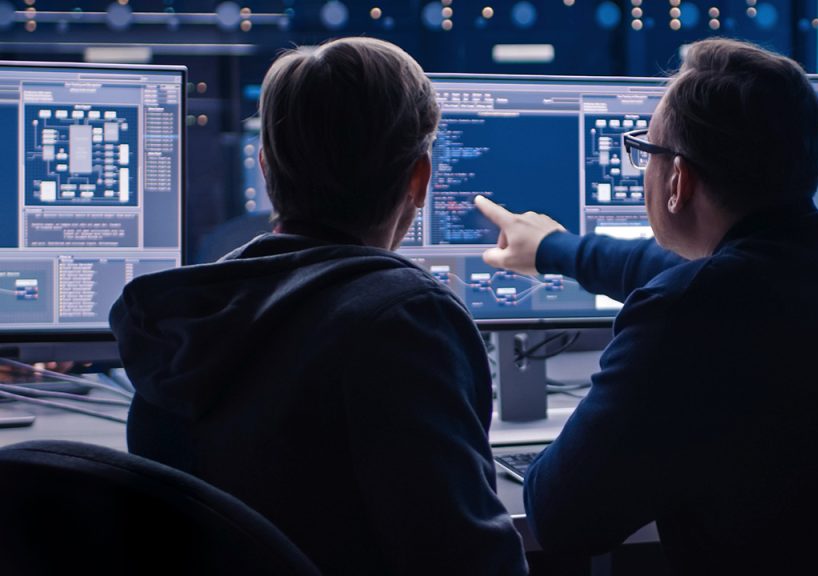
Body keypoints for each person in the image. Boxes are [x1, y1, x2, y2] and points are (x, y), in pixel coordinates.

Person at [474, 38, 818, 573]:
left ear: (678, 179)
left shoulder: (687, 315)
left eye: (645, 149)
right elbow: (729, 275)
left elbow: (560, 520)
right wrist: (558, 251)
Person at [110, 38, 527, 576]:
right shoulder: (405, 319)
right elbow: (474, 563)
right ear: (419, 179)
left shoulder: (181, 320)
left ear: (265, 169)